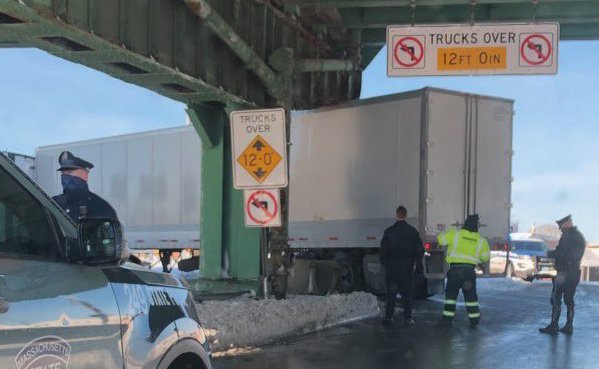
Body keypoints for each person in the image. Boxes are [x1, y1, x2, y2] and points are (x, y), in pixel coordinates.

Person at [437, 214, 490, 328]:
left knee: (451, 297)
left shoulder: (455, 234)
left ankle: (447, 320)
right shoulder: (481, 240)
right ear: (476, 227)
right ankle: (474, 319)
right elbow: (485, 257)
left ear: (465, 224)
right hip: (469, 272)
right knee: (471, 297)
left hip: (455, 271)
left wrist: (441, 231)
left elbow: (441, 240)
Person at [539, 214, 586, 335]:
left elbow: (567, 254)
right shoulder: (576, 236)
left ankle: (556, 325)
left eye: (561, 225)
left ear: (567, 223)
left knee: (557, 297)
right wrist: (553, 253)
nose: (560, 228)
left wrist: (551, 254)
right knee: (566, 299)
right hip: (571, 272)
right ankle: (567, 325)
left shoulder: (570, 236)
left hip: (566, 272)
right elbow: (566, 252)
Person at [379, 205, 424, 327]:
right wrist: (415, 262)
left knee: (391, 294)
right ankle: (407, 318)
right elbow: (420, 251)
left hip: (392, 269)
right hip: (407, 269)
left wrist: (386, 264)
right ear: (406, 215)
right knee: (407, 295)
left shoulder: (388, 232)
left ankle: (388, 318)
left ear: (396, 215)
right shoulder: (412, 232)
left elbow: (383, 252)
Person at [52, 151, 118, 221]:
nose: (66, 177)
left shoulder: (100, 207)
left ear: (84, 175)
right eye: (63, 173)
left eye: (70, 172)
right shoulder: (53, 203)